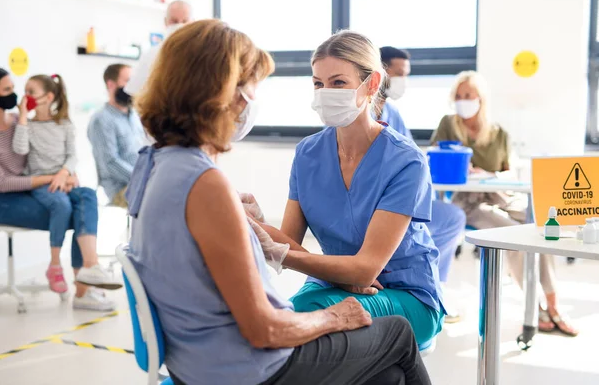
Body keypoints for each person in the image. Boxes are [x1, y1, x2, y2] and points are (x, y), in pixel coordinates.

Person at [126, 19, 432, 385]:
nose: (251, 102)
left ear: (371, 85)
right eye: (250, 89)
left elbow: (329, 264)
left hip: (195, 360)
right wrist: (336, 316)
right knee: (393, 335)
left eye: (337, 83)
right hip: (243, 367)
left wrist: (253, 231)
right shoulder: (206, 181)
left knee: (387, 376)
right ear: (220, 93)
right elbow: (264, 329)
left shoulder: (154, 165)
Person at [245, 31, 445, 350]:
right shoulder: (308, 154)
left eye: (338, 82)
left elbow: (365, 270)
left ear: (372, 83)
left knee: (299, 324)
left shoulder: (406, 161)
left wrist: (283, 251)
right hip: (332, 285)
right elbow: (291, 243)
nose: (325, 92)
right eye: (318, 83)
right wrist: (256, 227)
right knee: (276, 317)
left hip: (406, 295)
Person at [431, 70, 579, 337]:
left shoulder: (498, 132)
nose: (464, 101)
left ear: (480, 99)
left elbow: (510, 171)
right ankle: (534, 308)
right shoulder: (448, 124)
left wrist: (488, 174)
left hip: (501, 194)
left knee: (540, 227)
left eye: (469, 96)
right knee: (514, 233)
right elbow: (437, 161)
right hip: (470, 202)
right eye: (460, 96)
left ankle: (554, 303)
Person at [1, 70, 119, 310]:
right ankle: (70, 276)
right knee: (66, 208)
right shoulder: (23, 124)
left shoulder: (15, 121)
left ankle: (89, 271)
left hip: (44, 184)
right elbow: (5, 179)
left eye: (16, 88)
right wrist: (53, 177)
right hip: (14, 194)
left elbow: (66, 155)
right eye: (7, 90)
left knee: (85, 199)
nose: (16, 96)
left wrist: (66, 174)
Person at [375, 46, 467, 322]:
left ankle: (433, 286)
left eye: (406, 75)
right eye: (399, 74)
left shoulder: (393, 112)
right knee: (422, 229)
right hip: (381, 203)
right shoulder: (360, 115)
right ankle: (415, 285)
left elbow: (412, 155)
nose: (404, 80)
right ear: (379, 71)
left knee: (452, 216)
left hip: (405, 196)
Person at [87, 64, 145, 207]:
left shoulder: (134, 116)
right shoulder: (102, 120)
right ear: (111, 84)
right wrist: (144, 178)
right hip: (122, 189)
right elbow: (110, 162)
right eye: (127, 81)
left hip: (142, 181)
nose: (132, 87)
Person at [125, 0, 194, 96]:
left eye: (184, 21)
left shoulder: (202, 53)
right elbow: (135, 91)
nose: (179, 25)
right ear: (166, 22)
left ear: (193, 23)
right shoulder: (151, 54)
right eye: (174, 21)